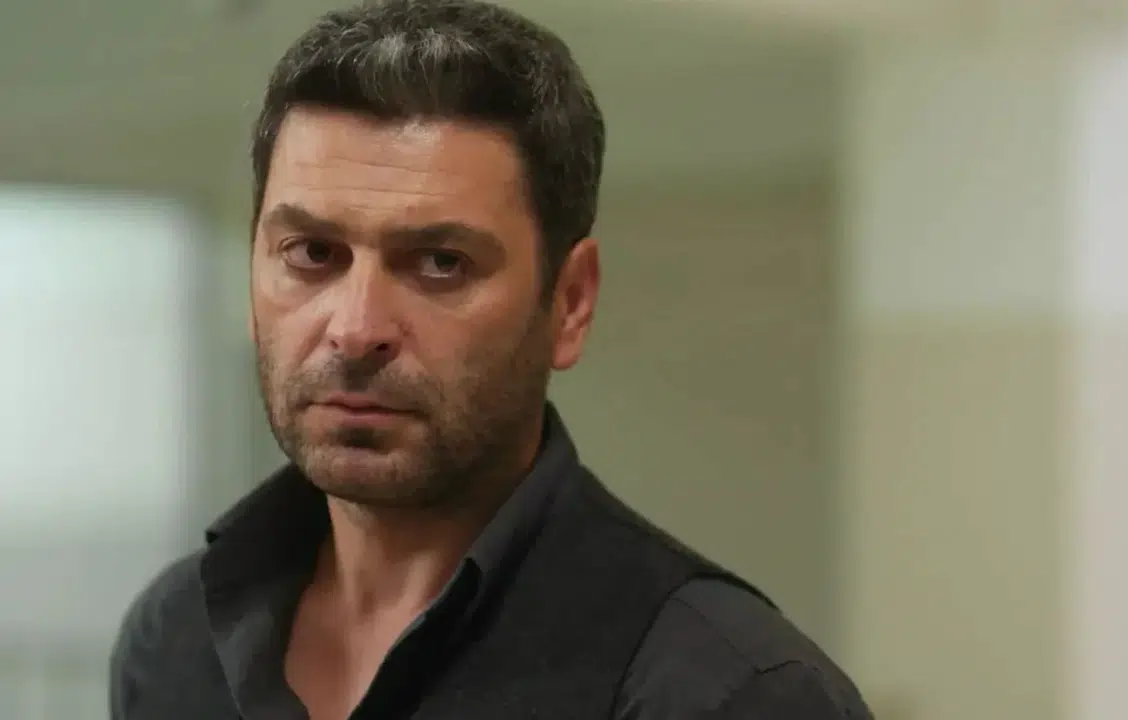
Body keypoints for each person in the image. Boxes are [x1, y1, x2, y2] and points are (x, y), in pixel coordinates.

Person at [108, 1, 871, 718]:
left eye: (441, 262)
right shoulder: (176, 640)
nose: (356, 328)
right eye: (311, 253)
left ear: (569, 302)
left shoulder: (726, 692)